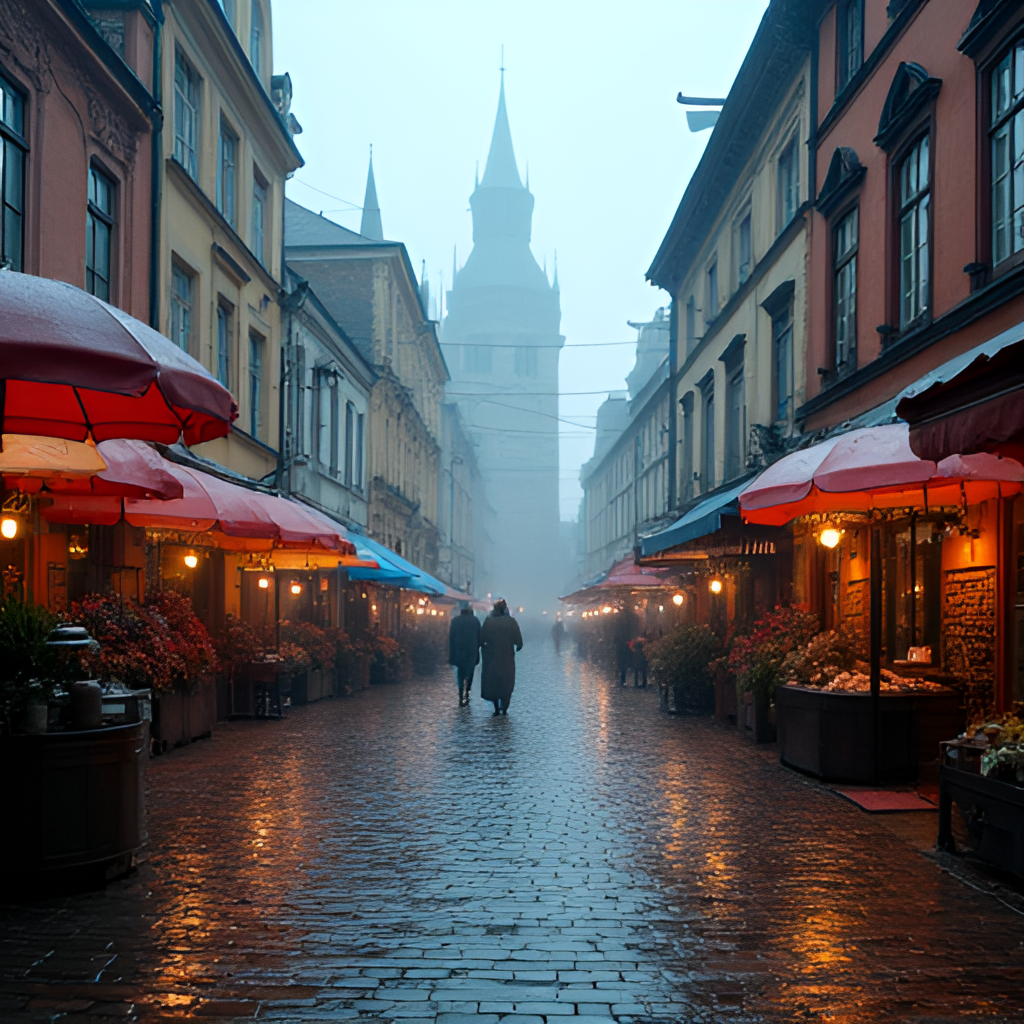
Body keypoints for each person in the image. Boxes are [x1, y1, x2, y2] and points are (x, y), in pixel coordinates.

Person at [479, 597, 523, 716]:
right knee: (507, 682)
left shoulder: (489, 621)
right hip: (507, 658)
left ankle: (496, 708)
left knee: (494, 683)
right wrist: (517, 646)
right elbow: (519, 641)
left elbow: (481, 639)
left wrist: (485, 647)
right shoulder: (511, 622)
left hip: (492, 658)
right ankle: (505, 706)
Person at [448, 601, 481, 707]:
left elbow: (451, 638)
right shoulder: (475, 621)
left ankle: (461, 693)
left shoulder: (455, 621)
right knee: (470, 672)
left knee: (460, 673)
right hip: (471, 651)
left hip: (459, 651)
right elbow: (480, 637)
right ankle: (467, 692)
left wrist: (451, 653)